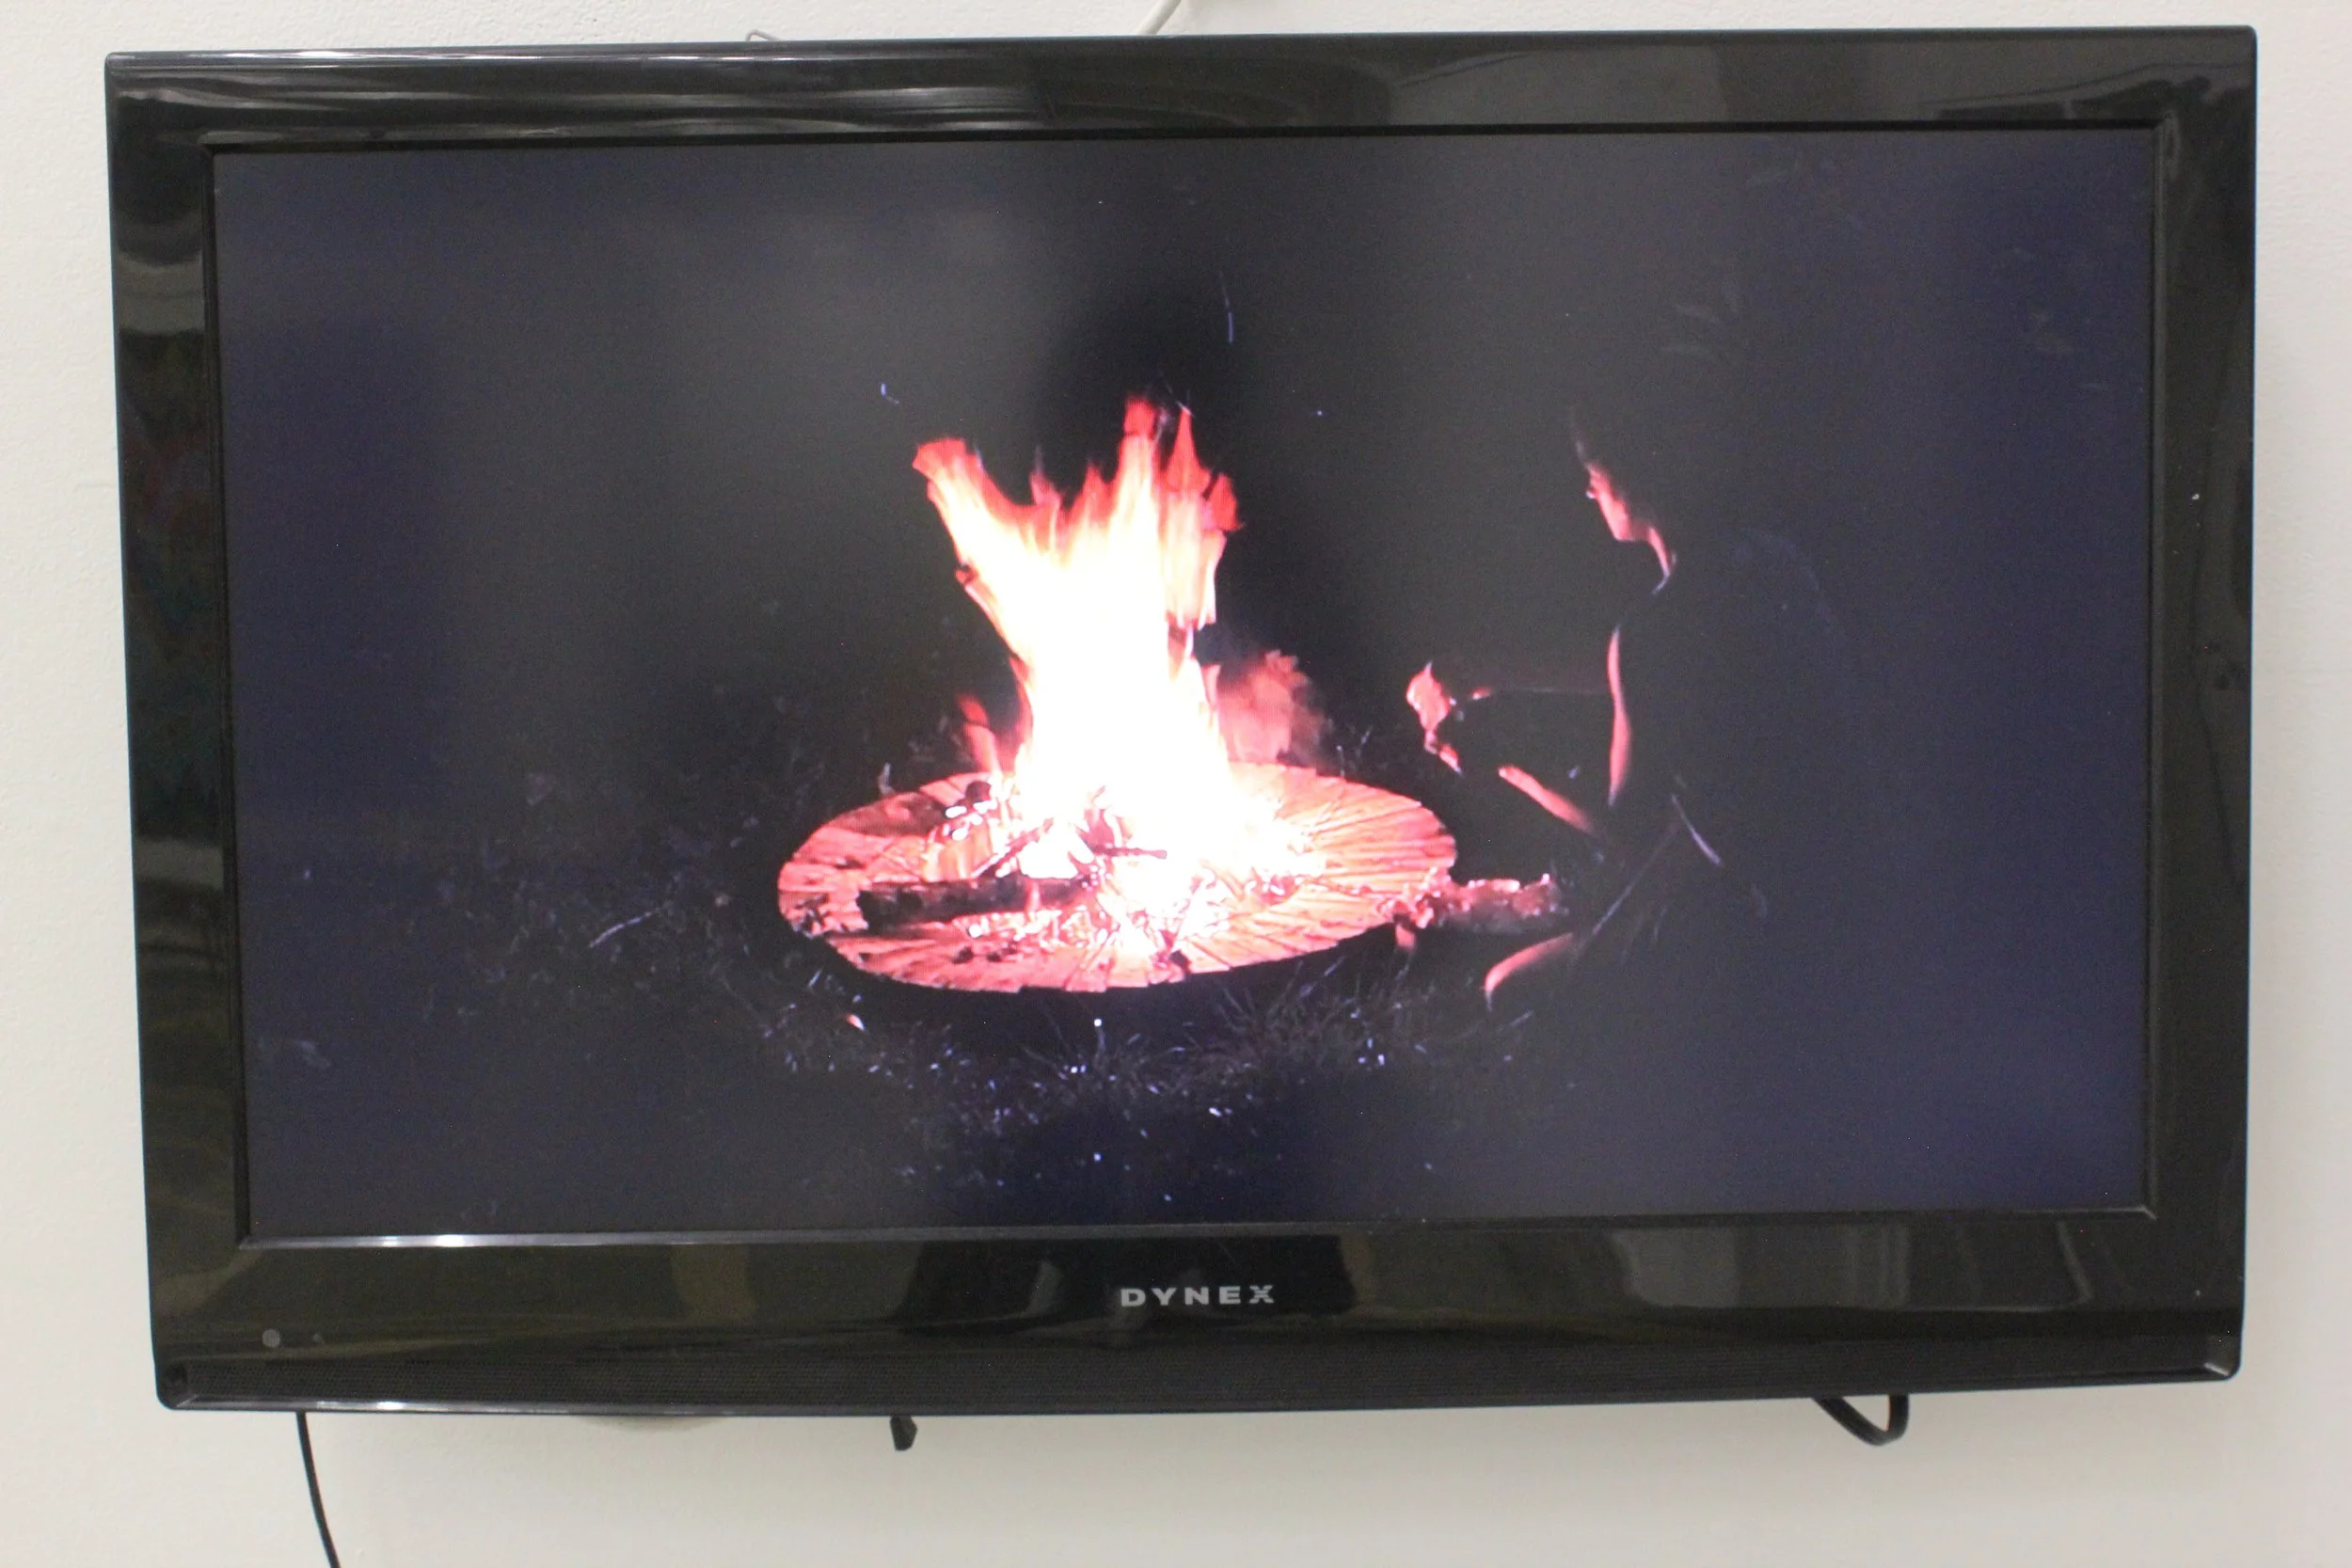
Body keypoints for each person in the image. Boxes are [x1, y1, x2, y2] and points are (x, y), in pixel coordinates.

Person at [1410, 371, 1874, 1006]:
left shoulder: (1651, 632)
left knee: (1507, 990)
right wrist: (1495, 672)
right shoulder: (1772, 562)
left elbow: (1625, 828)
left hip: (1763, 895)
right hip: (1844, 853)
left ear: (1627, 479)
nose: (1588, 490)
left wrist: (1503, 761)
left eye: (1593, 473)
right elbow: (1654, 671)